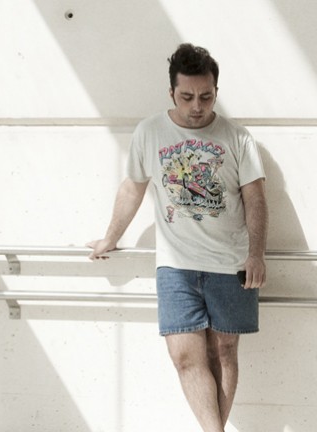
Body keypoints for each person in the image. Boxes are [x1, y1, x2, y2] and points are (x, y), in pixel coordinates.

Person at [87, 43, 268, 432]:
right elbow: (133, 188)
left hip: (231, 264)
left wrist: (256, 254)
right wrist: (110, 237)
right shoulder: (150, 132)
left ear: (216, 92)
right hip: (175, 265)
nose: (197, 106)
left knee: (224, 351)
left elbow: (255, 198)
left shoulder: (237, 138)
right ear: (171, 92)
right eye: (187, 97)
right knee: (184, 356)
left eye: (206, 96)